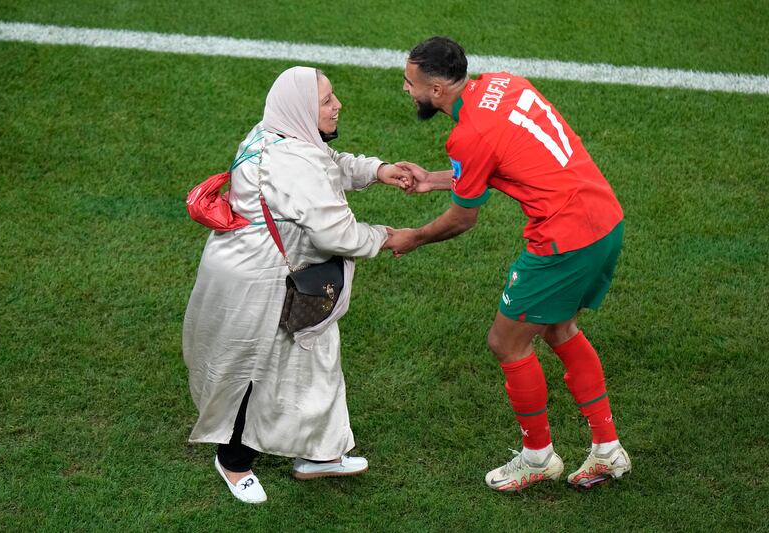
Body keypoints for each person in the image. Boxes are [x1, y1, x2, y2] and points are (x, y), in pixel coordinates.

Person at [385, 36, 632, 491]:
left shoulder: (467, 135)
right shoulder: (504, 84)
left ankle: (537, 458)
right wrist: (434, 179)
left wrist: (414, 238)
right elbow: (512, 161)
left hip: (565, 238)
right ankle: (607, 450)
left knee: (506, 342)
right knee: (559, 329)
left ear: (437, 90)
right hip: (603, 220)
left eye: (410, 82)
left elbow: (464, 217)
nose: (406, 90)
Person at [183, 66, 411, 504]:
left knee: (315, 356)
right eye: (325, 101)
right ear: (302, 110)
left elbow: (326, 166)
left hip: (254, 269)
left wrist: (377, 171)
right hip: (260, 284)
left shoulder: (273, 134)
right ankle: (233, 462)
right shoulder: (295, 161)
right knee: (256, 371)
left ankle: (320, 453)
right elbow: (337, 235)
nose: (337, 105)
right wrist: (386, 236)